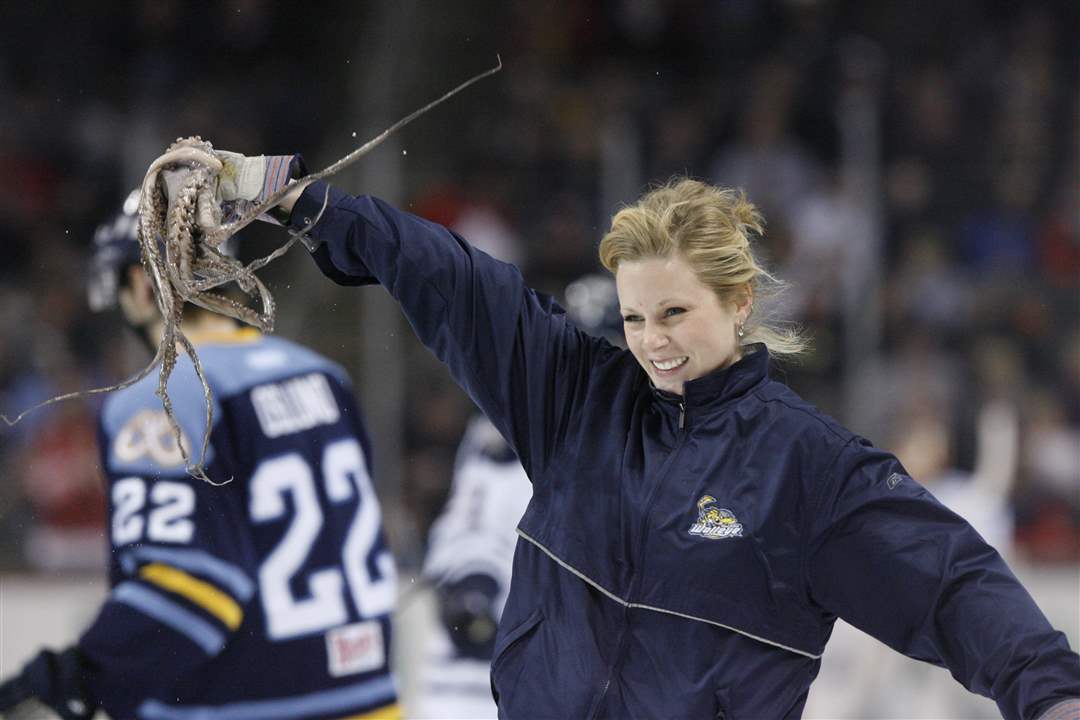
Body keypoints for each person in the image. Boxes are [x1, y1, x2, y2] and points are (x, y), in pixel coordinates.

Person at [173, 150, 1080, 719]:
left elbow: (949, 581)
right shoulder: (577, 398)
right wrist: (299, 199)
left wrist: (1051, 690)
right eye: (639, 318)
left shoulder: (809, 466)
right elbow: (456, 281)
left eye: (675, 313)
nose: (652, 342)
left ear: (739, 302)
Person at [0, 190, 401, 720]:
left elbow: (190, 588)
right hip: (367, 698)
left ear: (143, 285)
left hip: (246, 705)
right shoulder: (322, 375)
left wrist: (77, 675)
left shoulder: (163, 397)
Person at [415, 274, 621, 719]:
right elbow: (471, 530)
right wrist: (474, 592)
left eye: (608, 351)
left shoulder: (654, 436)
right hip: (484, 679)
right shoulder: (512, 429)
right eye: (582, 350)